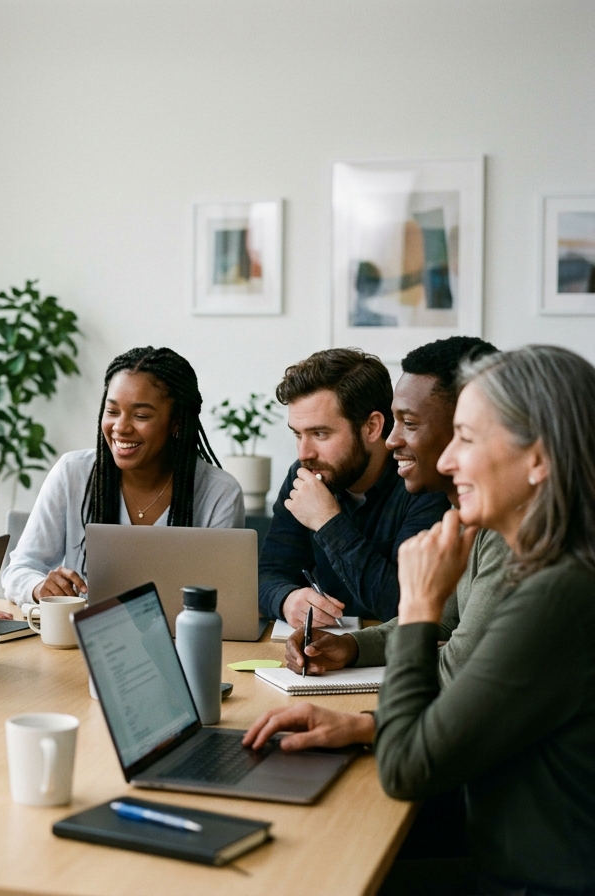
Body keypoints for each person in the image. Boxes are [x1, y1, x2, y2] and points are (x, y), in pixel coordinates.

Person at [246, 345, 595, 892]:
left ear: (538, 459)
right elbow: (457, 672)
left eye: (469, 439)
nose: (449, 460)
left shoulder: (557, 592)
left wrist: (415, 607)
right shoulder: (537, 557)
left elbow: (408, 766)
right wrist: (359, 704)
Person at [288, 336, 511, 681]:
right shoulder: (468, 514)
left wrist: (365, 724)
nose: (391, 440)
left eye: (409, 423)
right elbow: (444, 620)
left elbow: (457, 672)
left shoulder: (509, 531)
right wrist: (352, 646)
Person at [2, 346, 244, 611]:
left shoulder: (220, 493)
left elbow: (224, 605)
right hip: (84, 641)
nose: (120, 427)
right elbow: (19, 571)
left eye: (141, 415)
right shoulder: (72, 473)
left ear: (176, 422)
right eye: (112, 411)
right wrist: (38, 588)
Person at [258, 348, 450, 627]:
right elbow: (268, 573)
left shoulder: (423, 483)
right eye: (298, 434)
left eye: (320, 433)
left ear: (372, 427)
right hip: (321, 652)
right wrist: (287, 599)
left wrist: (327, 521)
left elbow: (404, 606)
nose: (304, 452)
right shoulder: (305, 473)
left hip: (390, 655)